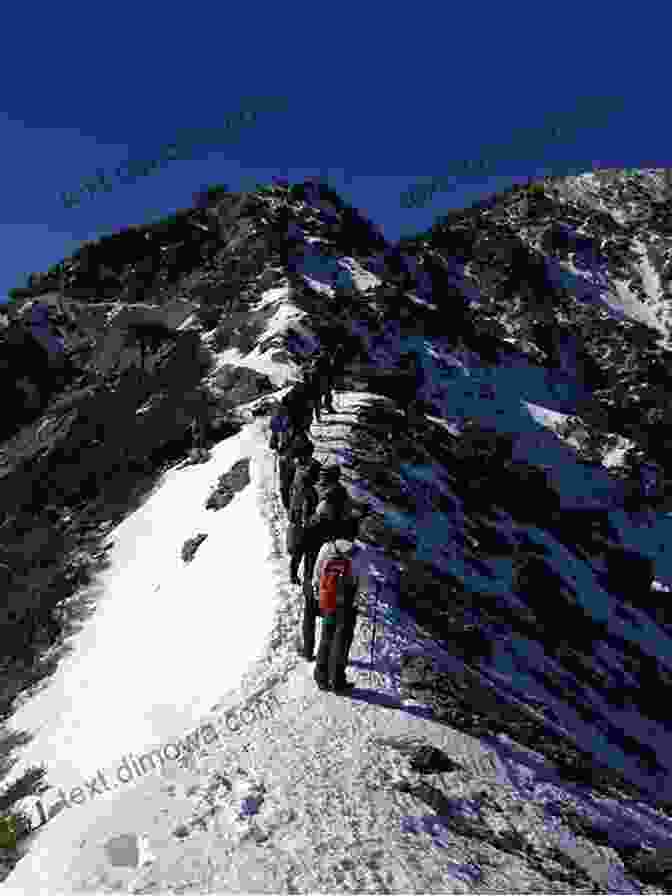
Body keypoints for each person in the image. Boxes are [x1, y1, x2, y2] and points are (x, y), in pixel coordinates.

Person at [312, 518, 368, 692]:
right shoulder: (358, 553)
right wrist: (358, 601)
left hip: (328, 600)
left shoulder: (327, 548)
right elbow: (364, 584)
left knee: (326, 638)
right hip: (347, 604)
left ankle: (321, 677)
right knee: (341, 642)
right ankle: (337, 681)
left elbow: (317, 574)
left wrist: (320, 595)